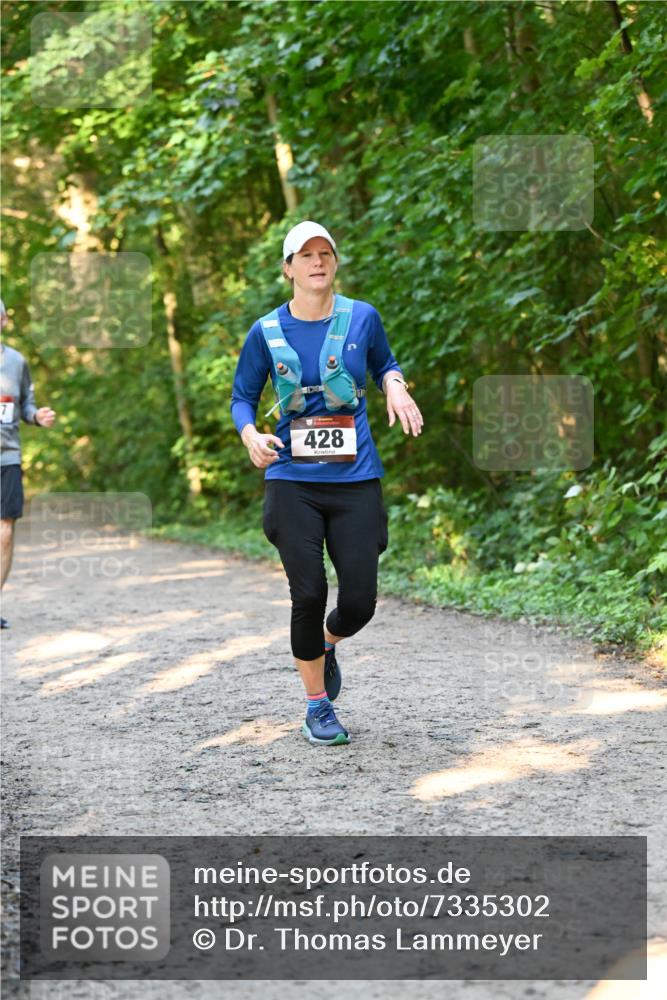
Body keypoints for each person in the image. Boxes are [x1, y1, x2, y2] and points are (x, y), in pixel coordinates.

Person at [231, 221, 423, 746]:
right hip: (292, 479)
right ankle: (317, 706)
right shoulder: (265, 331)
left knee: (359, 601)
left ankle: (326, 643)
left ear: (334, 263)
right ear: (287, 268)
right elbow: (242, 397)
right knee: (308, 591)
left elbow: (386, 363)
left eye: (326, 253)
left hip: (356, 478)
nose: (317, 262)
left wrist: (396, 387)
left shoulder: (363, 317)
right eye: (305, 255)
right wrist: (250, 434)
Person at [0, 299, 56, 628]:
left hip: (7, 457)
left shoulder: (17, 362)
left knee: (5, 533)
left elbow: (26, 405)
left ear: (5, 321)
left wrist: (36, 416)